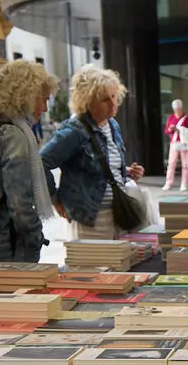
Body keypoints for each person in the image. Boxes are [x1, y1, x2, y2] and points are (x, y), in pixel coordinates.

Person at [40, 66, 145, 241]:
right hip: (91, 219)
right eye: (105, 99)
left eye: (114, 96)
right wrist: (55, 199)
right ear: (87, 102)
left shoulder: (113, 125)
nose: (113, 103)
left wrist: (126, 172)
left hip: (118, 214)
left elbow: (101, 166)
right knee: (94, 267)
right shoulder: (74, 130)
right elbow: (41, 162)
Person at [0, 60, 60, 263]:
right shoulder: (14, 135)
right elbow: (19, 204)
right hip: (10, 246)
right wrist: (35, 238)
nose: (45, 108)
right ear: (26, 96)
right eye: (42, 99)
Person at [163, 99, 188, 191]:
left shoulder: (186, 118)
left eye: (179, 108)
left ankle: (184, 184)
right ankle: (168, 183)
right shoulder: (171, 118)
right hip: (174, 143)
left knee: (185, 165)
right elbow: (167, 130)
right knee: (171, 164)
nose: (177, 110)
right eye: (176, 109)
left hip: (184, 144)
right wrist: (171, 129)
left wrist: (180, 129)